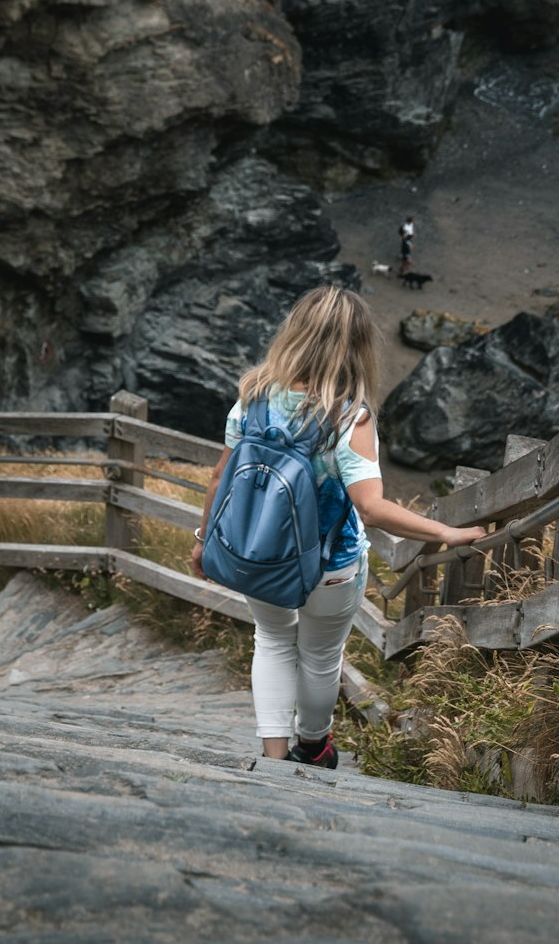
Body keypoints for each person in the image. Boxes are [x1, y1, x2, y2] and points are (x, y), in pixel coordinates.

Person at [191, 285, 485, 768]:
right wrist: (447, 534)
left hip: (259, 552)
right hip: (332, 565)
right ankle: (313, 746)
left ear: (295, 333)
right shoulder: (350, 417)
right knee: (321, 657)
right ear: (358, 348)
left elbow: (220, 477)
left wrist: (205, 542)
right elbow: (371, 508)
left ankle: (273, 756)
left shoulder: (254, 399)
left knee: (272, 642)